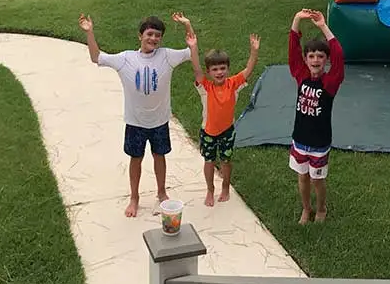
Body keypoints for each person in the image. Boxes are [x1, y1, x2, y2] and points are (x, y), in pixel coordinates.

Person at [78, 11, 194, 218]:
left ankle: (161, 192)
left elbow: (191, 50)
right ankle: (134, 198)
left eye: (158, 35)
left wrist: (187, 26)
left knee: (160, 156)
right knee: (136, 159)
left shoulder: (167, 56)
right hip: (135, 122)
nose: (154, 39)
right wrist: (89, 32)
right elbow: (96, 57)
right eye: (149, 34)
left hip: (159, 121)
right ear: (140, 36)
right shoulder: (125, 59)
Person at [180, 12, 260, 207]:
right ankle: (210, 190)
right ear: (209, 72)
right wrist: (193, 45)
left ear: (228, 69)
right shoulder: (205, 88)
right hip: (208, 132)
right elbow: (197, 68)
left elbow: (248, 70)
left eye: (223, 68)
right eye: (215, 70)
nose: (219, 72)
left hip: (227, 131)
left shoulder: (233, 84)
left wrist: (254, 51)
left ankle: (225, 186)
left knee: (226, 161)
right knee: (209, 162)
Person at [288, 8, 345, 225]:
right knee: (302, 177)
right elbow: (293, 51)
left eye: (320, 56)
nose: (315, 59)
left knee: (317, 179)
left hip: (320, 143)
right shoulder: (301, 75)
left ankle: (321, 208)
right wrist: (296, 21)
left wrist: (323, 26)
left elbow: (339, 55)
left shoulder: (330, 83)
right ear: (305, 59)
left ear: (326, 60)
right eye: (311, 56)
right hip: (300, 139)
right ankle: (306, 208)